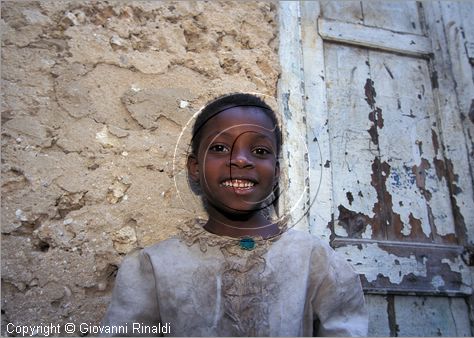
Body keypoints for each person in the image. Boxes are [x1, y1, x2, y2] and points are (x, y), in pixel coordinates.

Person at [100, 93, 368, 336]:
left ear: (276, 172)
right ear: (195, 167)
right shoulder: (153, 268)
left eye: (260, 151)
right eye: (220, 148)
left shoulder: (316, 261)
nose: (240, 160)